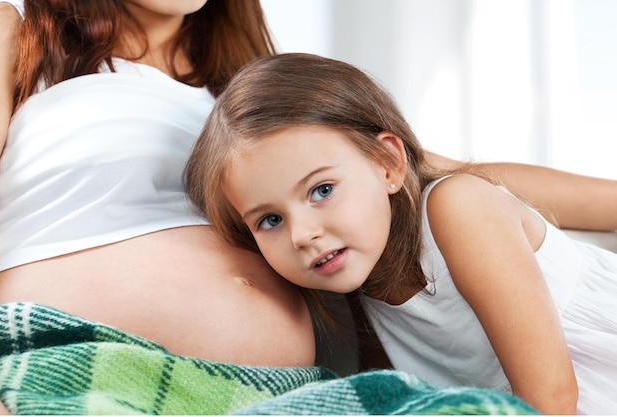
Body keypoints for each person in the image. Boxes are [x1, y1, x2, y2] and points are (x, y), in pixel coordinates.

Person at [0, 0, 615, 413]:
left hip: (274, 394)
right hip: (55, 356)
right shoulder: (12, 36)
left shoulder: (254, 93)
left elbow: (438, 174)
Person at [185, 52, 617, 415]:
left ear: (388, 164)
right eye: (270, 220)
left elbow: (552, 400)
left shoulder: (458, 209)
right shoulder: (357, 289)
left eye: (322, 190)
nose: (302, 234)